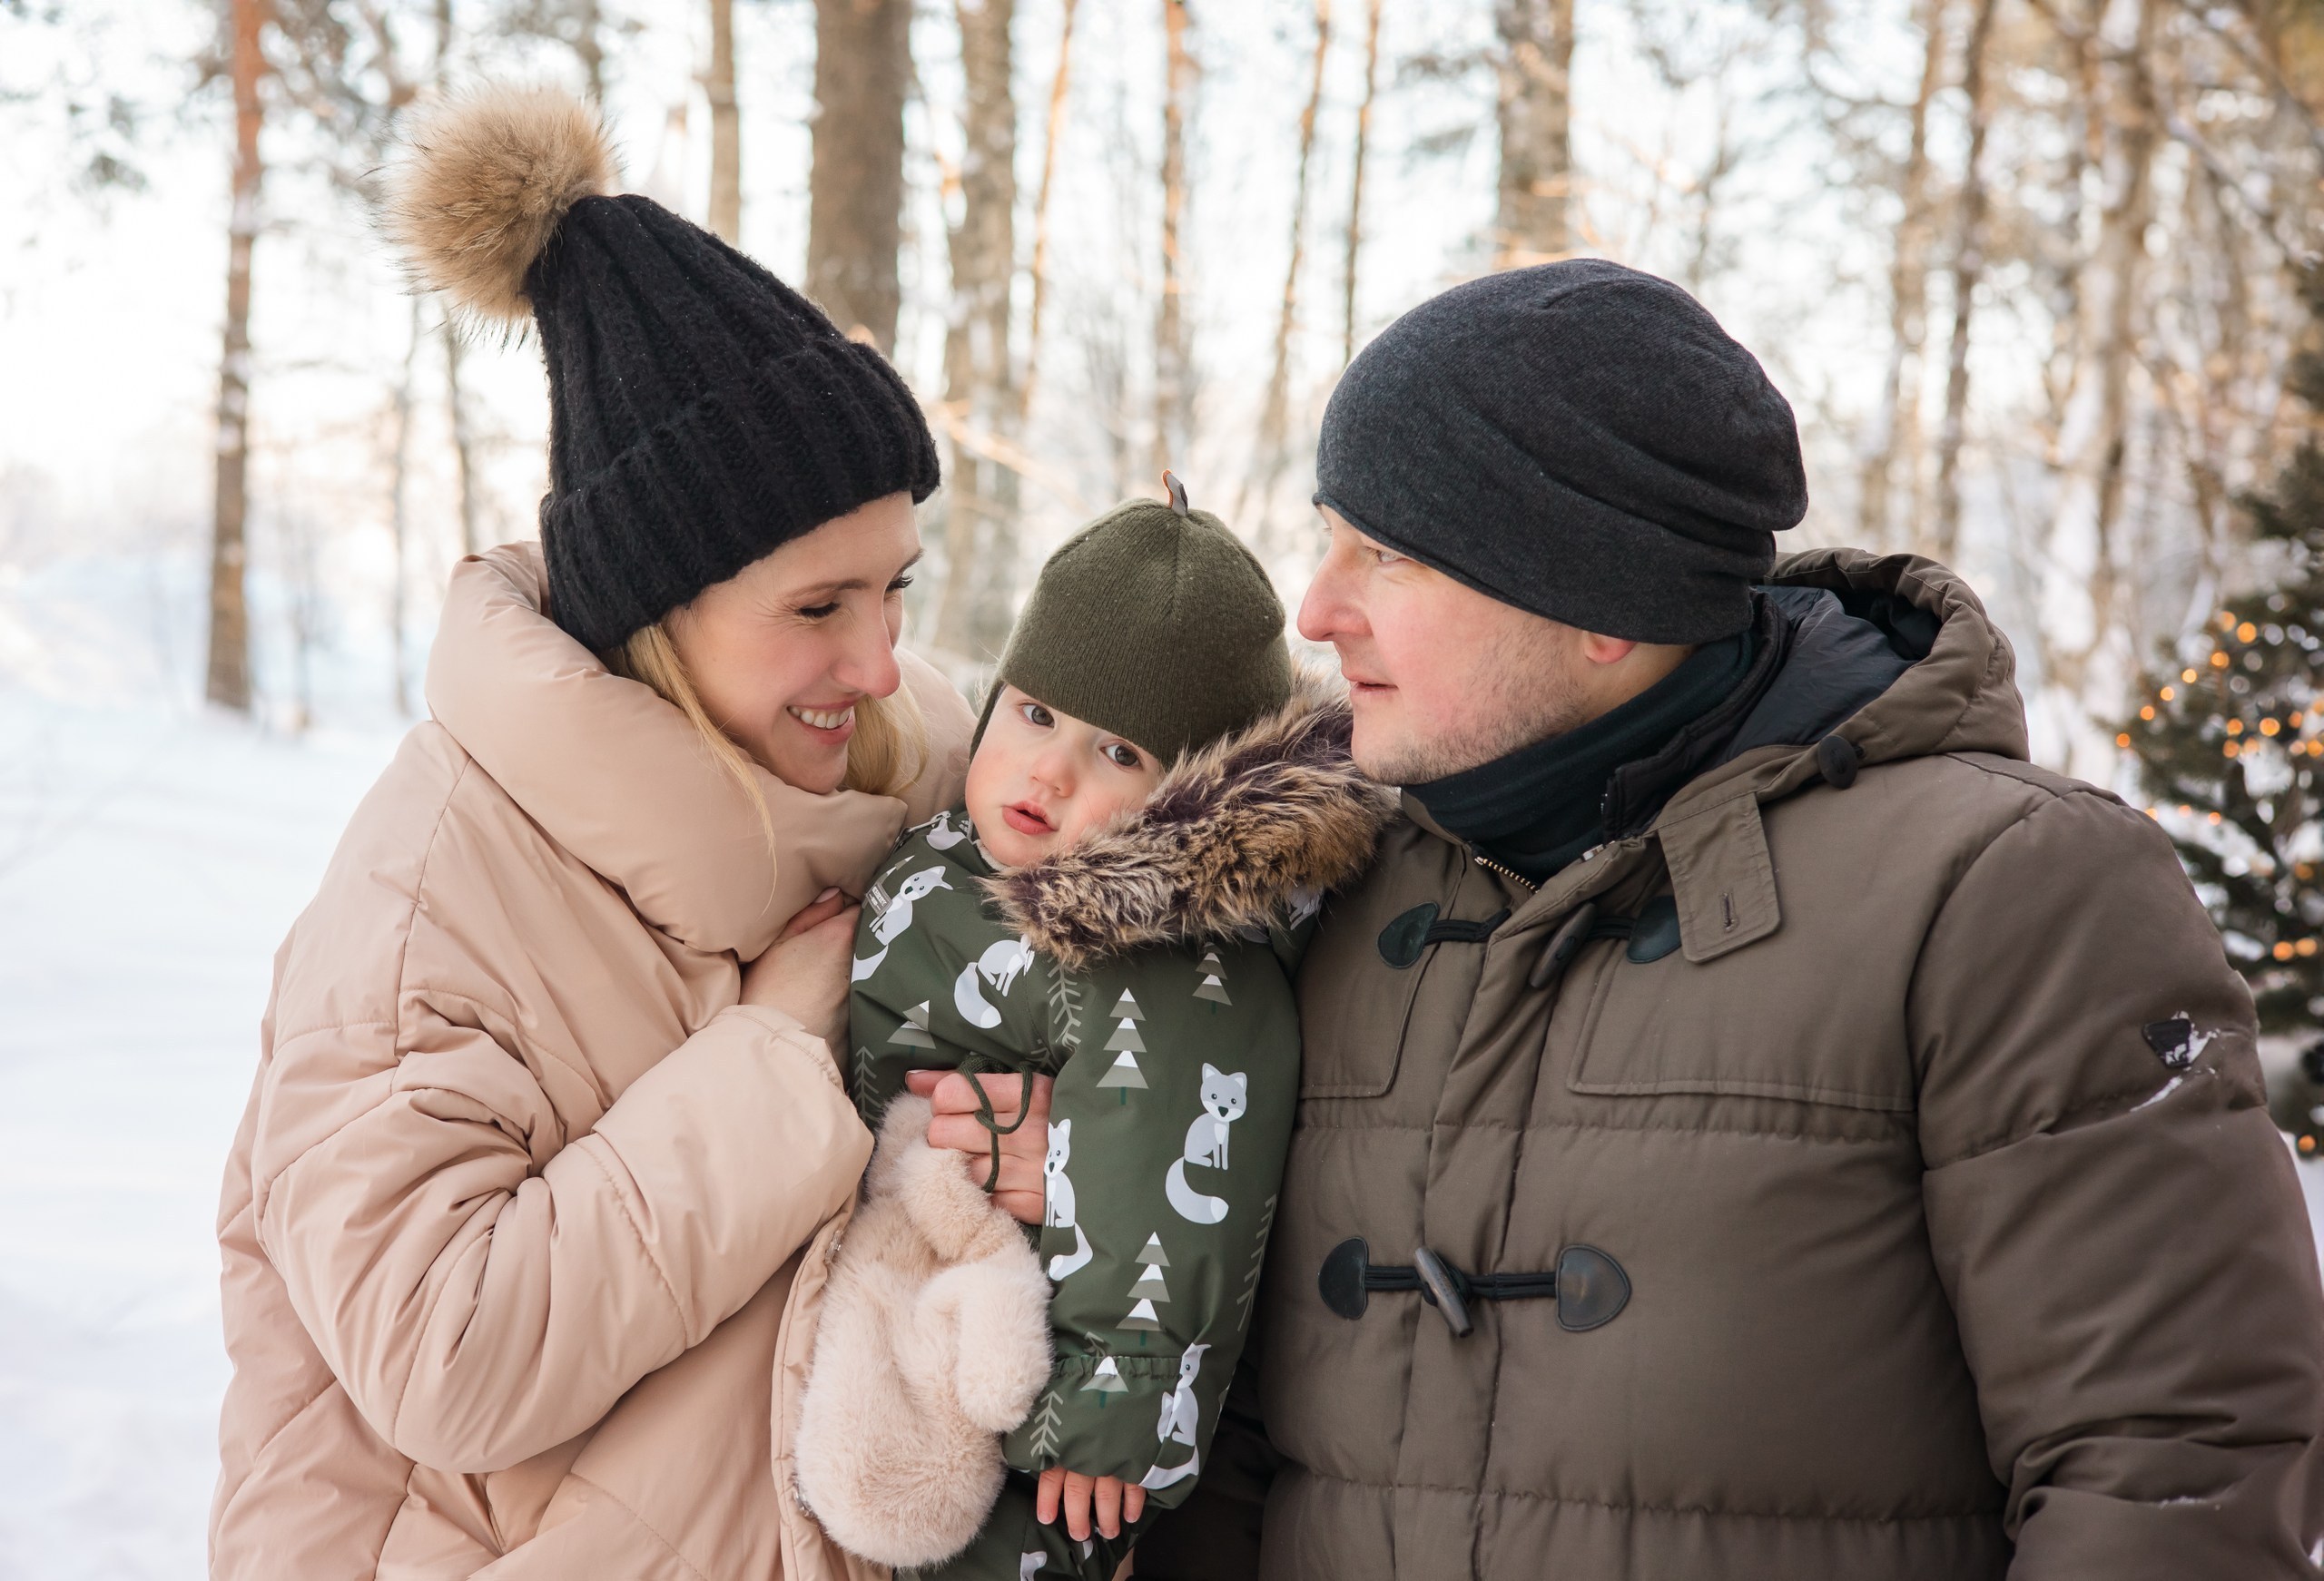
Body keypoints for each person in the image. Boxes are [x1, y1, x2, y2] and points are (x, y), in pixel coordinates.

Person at [1135, 260, 2324, 1579]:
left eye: (1393, 550)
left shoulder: (2009, 893)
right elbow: (1219, 1436)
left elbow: (2171, 1467)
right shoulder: (1338, 886)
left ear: (1599, 601)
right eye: (1332, 531)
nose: (1317, 606)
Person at [209, 84, 1041, 1580]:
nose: (877, 660)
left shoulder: (912, 777)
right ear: (660, 606)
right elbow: (444, 1351)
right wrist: (780, 1063)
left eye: (895, 586)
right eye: (816, 607)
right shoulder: (430, 896)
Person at [793, 489, 1391, 1580]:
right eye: (1033, 715)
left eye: (1118, 750)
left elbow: (1178, 1143)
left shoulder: (1170, 953)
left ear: (1190, 798)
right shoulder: (938, 855)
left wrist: (1124, 1391)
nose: (1049, 770)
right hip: (909, 1274)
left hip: (1064, 1372)